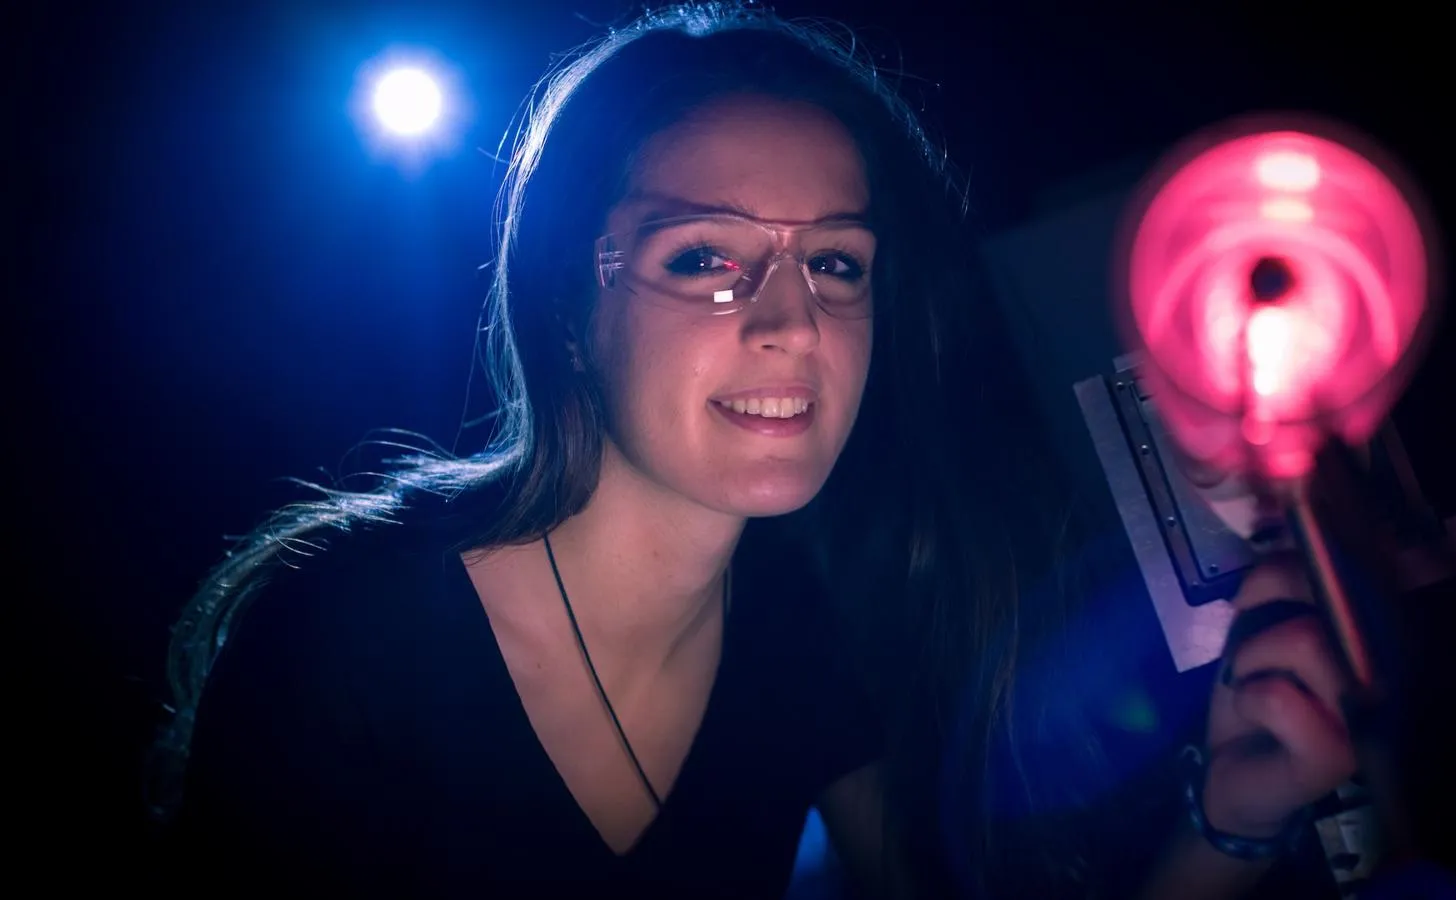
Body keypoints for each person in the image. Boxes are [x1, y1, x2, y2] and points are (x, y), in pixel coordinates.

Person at [150, 4, 1358, 897]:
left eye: (835, 262)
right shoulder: (346, 642)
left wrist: (1233, 819)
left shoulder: (795, 626)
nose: (794, 322)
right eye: (704, 258)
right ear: (567, 304)